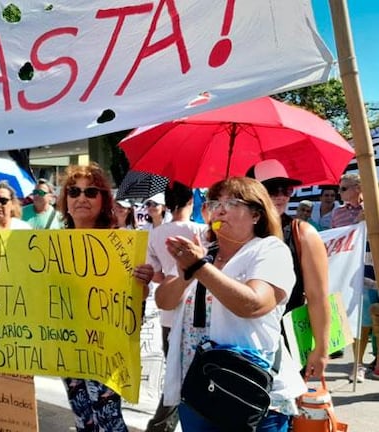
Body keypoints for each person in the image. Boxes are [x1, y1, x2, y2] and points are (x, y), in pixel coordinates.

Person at [156, 176, 305, 431]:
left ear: (257, 215)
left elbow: (254, 304)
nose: (220, 209)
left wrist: (199, 268)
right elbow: (164, 301)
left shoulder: (269, 250)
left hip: (246, 394)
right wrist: (186, 271)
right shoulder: (203, 252)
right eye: (214, 203)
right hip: (198, 391)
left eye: (233, 202)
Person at [57, 163, 153, 432]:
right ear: (66, 200)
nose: (81, 198)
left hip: (106, 348)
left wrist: (142, 280)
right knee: (82, 417)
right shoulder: (53, 245)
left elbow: (138, 298)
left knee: (108, 420)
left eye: (91, 192)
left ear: (104, 199)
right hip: (69, 347)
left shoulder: (120, 242)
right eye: (74, 192)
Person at [248, 160, 330, 380]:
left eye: (287, 189)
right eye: (273, 189)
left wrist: (321, 350)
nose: (281, 196)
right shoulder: (237, 233)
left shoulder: (303, 233)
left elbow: (318, 297)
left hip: (286, 342)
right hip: (242, 342)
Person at [145, 182, 207, 432]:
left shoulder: (156, 233)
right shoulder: (201, 231)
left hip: (168, 311)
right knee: (193, 376)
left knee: (174, 374)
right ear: (191, 201)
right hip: (199, 310)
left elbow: (156, 275)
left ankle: (163, 425)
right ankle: (161, 426)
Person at [331, 173, 374, 376]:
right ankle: (358, 363)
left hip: (374, 267)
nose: (340, 193)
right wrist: (357, 224)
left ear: (359, 188)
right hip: (354, 273)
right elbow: (337, 240)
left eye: (344, 188)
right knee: (362, 320)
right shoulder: (338, 213)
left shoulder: (374, 207)